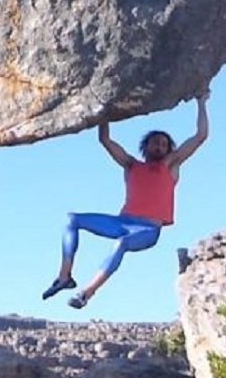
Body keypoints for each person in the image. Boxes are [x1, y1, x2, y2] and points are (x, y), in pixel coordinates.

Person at [42, 91, 210, 309]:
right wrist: (105, 112)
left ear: (170, 150)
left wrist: (201, 102)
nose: (159, 146)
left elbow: (200, 136)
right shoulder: (131, 165)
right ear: (145, 147)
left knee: (121, 243)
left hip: (147, 230)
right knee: (71, 219)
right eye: (154, 143)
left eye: (163, 144)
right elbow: (105, 140)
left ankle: (86, 293)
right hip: (123, 222)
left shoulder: (170, 166)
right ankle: (64, 277)